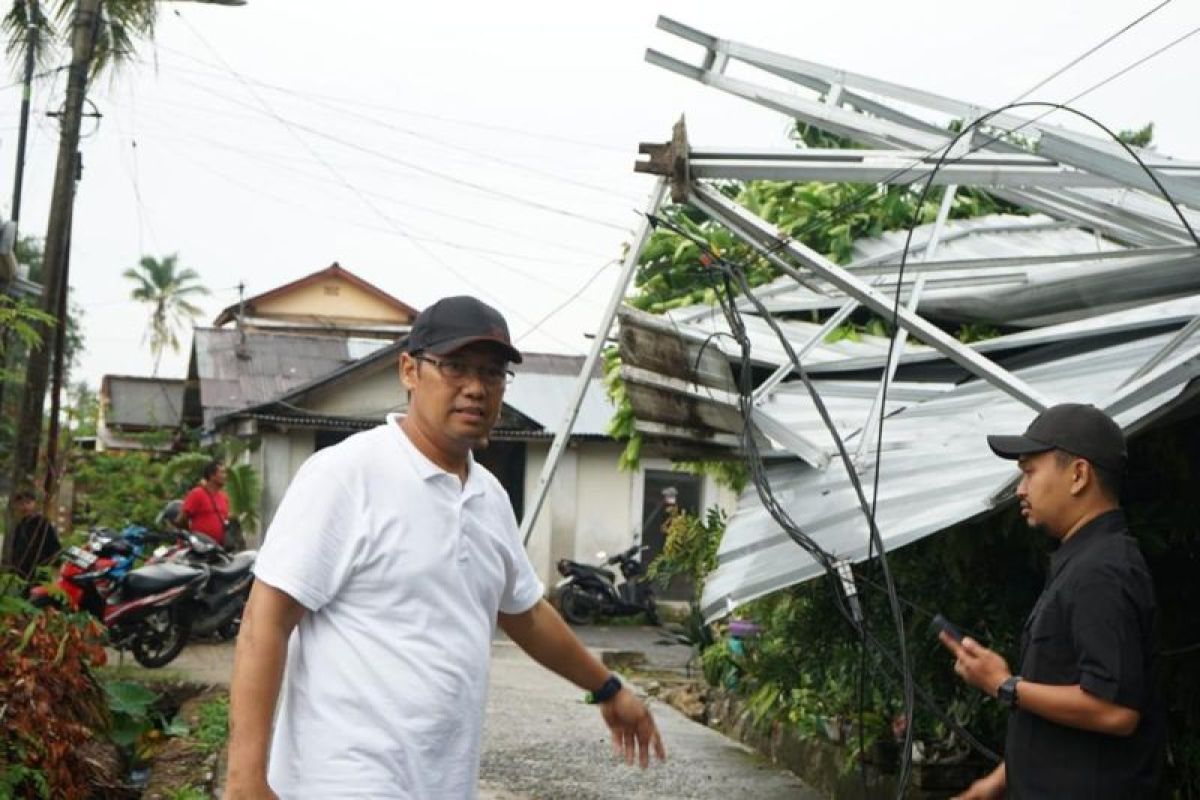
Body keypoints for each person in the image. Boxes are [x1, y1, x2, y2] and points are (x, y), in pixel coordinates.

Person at [225, 295, 666, 799]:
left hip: (440, 782)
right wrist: (244, 782)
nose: (476, 388)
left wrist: (607, 688)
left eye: (493, 372)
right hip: (342, 778)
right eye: (455, 367)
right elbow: (267, 620)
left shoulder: (489, 497)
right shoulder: (347, 475)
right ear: (409, 371)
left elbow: (525, 613)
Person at [941, 403, 1163, 799]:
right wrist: (994, 784)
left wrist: (1004, 685)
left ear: (1078, 475)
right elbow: (1064, 708)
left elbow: (1115, 711)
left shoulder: (1102, 571)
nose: (1020, 489)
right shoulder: (1080, 562)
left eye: (1029, 472)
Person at [8, 489, 61, 591]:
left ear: (34, 504)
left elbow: (54, 546)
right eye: (21, 504)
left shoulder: (42, 524)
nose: (25, 507)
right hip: (22, 571)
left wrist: (53, 564)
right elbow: (15, 549)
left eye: (28, 503)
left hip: (39, 569)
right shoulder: (19, 526)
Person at [177, 460, 230, 547]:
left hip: (217, 549)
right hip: (199, 548)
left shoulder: (224, 497)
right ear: (211, 475)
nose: (225, 476)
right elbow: (182, 519)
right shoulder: (197, 494)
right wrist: (191, 538)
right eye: (222, 473)